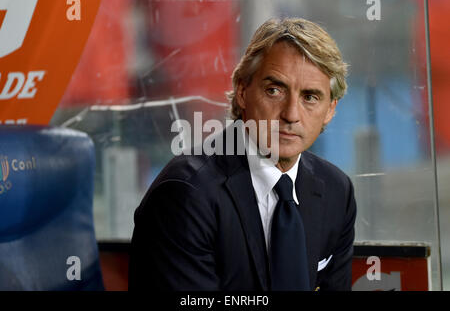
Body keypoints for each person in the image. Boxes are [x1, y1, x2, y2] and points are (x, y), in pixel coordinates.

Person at [129, 17, 357, 291]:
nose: (291, 115)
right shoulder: (186, 194)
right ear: (242, 91)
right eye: (274, 90)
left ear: (330, 110)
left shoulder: (336, 191)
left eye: (310, 97)